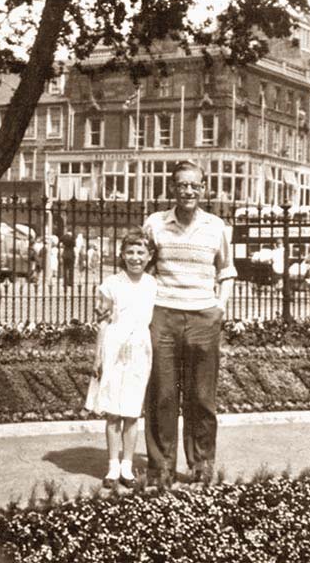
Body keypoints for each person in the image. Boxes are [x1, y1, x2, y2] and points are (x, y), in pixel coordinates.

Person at [143, 160, 237, 486]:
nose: (188, 191)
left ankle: (201, 465)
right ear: (173, 188)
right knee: (162, 395)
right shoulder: (155, 223)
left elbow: (227, 272)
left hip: (203, 317)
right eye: (182, 185)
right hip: (164, 315)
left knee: (201, 398)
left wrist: (219, 308)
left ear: (203, 189)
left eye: (195, 185)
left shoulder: (217, 227)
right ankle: (161, 468)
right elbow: (141, 268)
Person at [85, 227, 157, 488]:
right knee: (114, 412)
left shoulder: (153, 284)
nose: (135, 257)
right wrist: (98, 357)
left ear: (149, 256)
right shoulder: (111, 284)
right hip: (114, 349)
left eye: (141, 252)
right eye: (130, 252)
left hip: (140, 349)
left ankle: (128, 466)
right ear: (122, 254)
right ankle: (113, 467)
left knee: (132, 411)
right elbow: (102, 323)